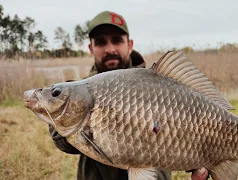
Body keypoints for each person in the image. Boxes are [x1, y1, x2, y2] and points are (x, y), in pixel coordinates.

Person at [48, 10, 209, 180]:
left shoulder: (160, 84)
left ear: (130, 44)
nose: (110, 49)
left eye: (117, 41)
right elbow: (60, 136)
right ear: (91, 48)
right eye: (101, 42)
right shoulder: (81, 90)